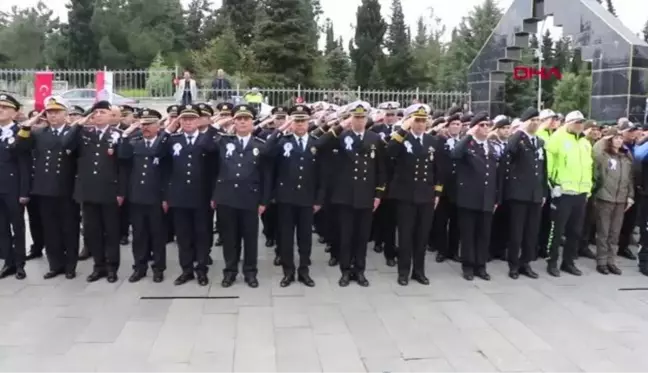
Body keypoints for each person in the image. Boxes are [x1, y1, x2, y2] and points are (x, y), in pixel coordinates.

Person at [316, 101, 386, 287]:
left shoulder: (374, 138)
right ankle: (345, 271)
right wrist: (340, 126)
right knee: (345, 236)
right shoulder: (341, 136)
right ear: (351, 118)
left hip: (366, 196)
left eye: (362, 117)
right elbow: (318, 145)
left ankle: (360, 271)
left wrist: (378, 195)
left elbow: (381, 169)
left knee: (362, 237)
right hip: (344, 196)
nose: (359, 121)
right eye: (356, 117)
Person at [60, 100, 126, 283]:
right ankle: (99, 266)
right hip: (88, 190)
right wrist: (78, 123)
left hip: (109, 190)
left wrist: (121, 191)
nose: (98, 116)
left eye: (103, 112)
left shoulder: (117, 135)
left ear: (110, 116)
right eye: (95, 113)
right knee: (92, 231)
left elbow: (123, 167)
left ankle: (112, 267)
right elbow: (65, 143)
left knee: (111, 231)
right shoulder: (83, 134)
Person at [18, 96, 81, 279]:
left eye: (57, 112)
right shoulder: (39, 133)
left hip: (67, 188)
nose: (53, 116)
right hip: (44, 188)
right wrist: (29, 123)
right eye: (50, 113)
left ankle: (70, 265)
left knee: (69, 228)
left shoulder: (73, 132)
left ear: (66, 114)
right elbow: (20, 147)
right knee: (50, 228)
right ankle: (55, 264)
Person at [211, 104, 270, 288]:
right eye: (239, 119)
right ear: (234, 121)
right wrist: (224, 121)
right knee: (229, 238)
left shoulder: (261, 146)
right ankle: (230, 271)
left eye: (246, 119)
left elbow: (266, 176)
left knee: (250, 238)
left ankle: (250, 272)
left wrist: (263, 200)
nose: (242, 122)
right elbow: (206, 143)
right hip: (226, 197)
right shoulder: (223, 141)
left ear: (253, 122)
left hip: (249, 199)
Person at [266, 104, 320, 287]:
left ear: (308, 122)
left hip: (307, 198)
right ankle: (288, 272)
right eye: (296, 121)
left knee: (305, 238)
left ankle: (304, 271)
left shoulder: (315, 142)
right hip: (286, 198)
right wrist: (280, 129)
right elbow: (266, 152)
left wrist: (319, 199)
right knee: (286, 238)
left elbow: (323, 174)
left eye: (303, 121)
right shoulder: (283, 141)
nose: (299, 124)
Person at [387, 104, 439, 286]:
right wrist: (403, 129)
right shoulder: (402, 139)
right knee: (405, 236)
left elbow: (438, 169)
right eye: (417, 120)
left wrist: (437, 192)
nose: (420, 124)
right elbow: (389, 150)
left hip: (426, 196)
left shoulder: (432, 141)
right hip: (406, 196)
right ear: (410, 121)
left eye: (423, 121)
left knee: (422, 236)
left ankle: (419, 271)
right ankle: (403, 272)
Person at [163, 105, 213, 286]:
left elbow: (215, 167)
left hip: (202, 196)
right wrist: (169, 129)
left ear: (199, 121)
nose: (188, 122)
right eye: (184, 119)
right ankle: (186, 270)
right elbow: (162, 162)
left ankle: (201, 269)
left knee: (202, 234)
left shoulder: (208, 140)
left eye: (192, 118)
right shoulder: (172, 140)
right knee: (183, 236)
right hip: (179, 196)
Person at [118, 109, 168, 283]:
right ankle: (139, 267)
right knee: (139, 235)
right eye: (143, 124)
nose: (145, 127)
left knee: (158, 235)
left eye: (149, 124)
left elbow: (168, 173)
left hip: (156, 197)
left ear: (158, 126)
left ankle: (158, 268)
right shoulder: (134, 143)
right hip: (137, 196)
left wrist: (165, 197)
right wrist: (125, 134)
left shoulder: (163, 144)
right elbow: (122, 158)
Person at [452, 112, 500, 281]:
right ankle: (468, 266)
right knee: (468, 235)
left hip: (487, 198)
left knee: (483, 234)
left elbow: (496, 174)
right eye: (482, 125)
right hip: (469, 198)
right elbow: (455, 154)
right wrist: (468, 135)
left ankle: (481, 266)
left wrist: (496, 197)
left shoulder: (492, 146)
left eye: (488, 125)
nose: (486, 128)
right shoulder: (467, 145)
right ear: (474, 127)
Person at [545, 110, 592, 277]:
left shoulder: (585, 143)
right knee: (557, 230)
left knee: (575, 231)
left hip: (580, 193)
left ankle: (568, 262)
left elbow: (588, 167)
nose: (580, 125)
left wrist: (588, 190)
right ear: (568, 123)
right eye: (577, 122)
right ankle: (552, 262)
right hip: (562, 192)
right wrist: (552, 184)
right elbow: (549, 163)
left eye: (582, 122)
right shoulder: (557, 139)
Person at [502, 107, 546, 280]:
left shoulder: (540, 142)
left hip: (535, 194)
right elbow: (508, 155)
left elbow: (544, 169)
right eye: (532, 120)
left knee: (531, 232)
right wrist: (519, 132)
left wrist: (543, 191)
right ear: (525, 122)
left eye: (537, 120)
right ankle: (513, 265)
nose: (535, 123)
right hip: (519, 193)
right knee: (516, 232)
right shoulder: (517, 139)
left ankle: (525, 262)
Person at [592, 129, 633, 275]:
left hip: (620, 199)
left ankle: (611, 261)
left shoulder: (626, 157)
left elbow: (629, 179)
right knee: (603, 231)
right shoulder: (603, 155)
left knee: (615, 232)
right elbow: (595, 154)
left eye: (620, 138)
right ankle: (601, 261)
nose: (619, 140)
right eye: (615, 138)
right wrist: (604, 138)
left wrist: (630, 196)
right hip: (605, 197)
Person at [0, 93, 31, 280]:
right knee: (1, 228)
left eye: (5, 107)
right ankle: (8, 262)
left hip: (14, 188)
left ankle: (20, 264)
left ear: (15, 112)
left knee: (17, 227)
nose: (1, 111)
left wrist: (24, 191)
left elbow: (25, 165)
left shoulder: (22, 132)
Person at [370, 101, 400, 265]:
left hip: (399, 179)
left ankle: (392, 249)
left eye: (393, 114)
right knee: (384, 217)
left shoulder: (403, 130)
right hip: (383, 178)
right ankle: (383, 245)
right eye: (387, 114)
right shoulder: (376, 131)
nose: (390, 117)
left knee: (395, 218)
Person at [431, 106, 462, 263]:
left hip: (458, 187)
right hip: (443, 187)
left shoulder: (463, 142)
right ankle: (441, 250)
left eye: (458, 124)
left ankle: (453, 251)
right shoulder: (439, 141)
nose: (456, 126)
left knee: (456, 222)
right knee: (441, 221)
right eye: (453, 124)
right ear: (448, 126)